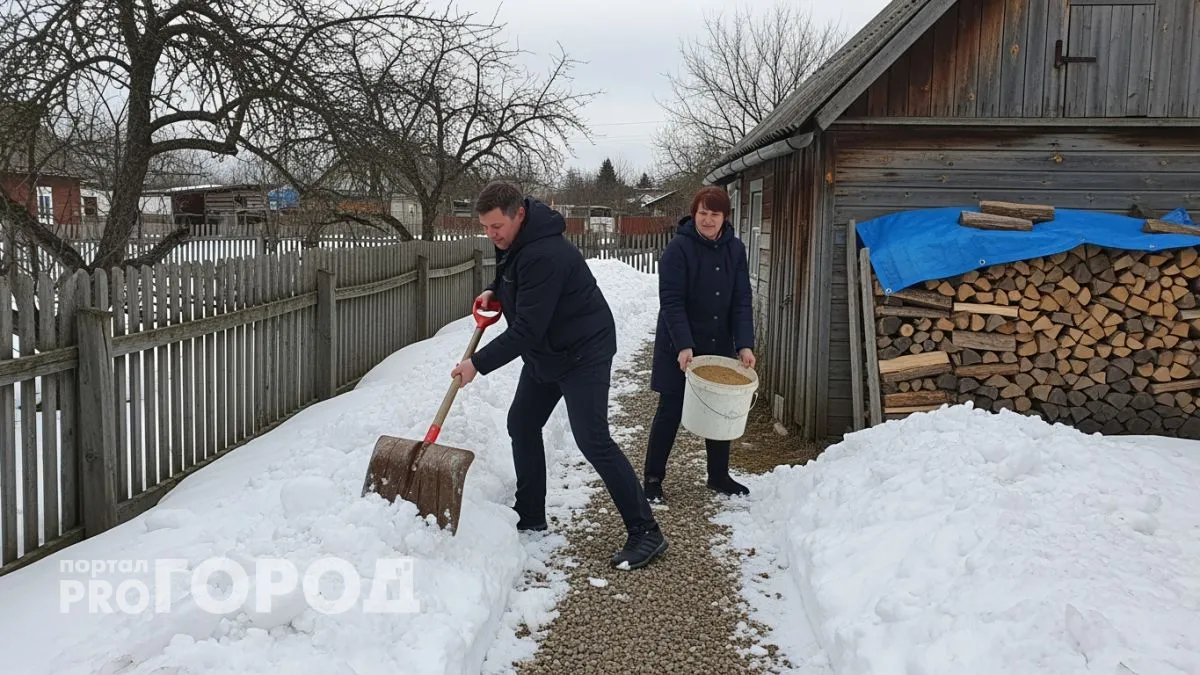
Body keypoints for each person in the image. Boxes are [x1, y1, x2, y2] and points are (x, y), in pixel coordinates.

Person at [451, 180, 668, 571]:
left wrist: (476, 364)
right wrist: (494, 290)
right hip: (548, 351)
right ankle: (530, 513)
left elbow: (527, 330)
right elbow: (512, 274)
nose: (492, 234)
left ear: (519, 214)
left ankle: (646, 531)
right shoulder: (515, 239)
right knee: (522, 422)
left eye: (496, 226)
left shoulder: (546, 253)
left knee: (593, 439)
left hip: (583, 351)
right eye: (485, 227)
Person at [643, 185, 755, 504]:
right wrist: (684, 345)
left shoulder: (735, 250)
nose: (707, 219)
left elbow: (741, 300)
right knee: (670, 409)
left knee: (720, 408)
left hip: (718, 342)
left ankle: (718, 475)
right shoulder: (678, 249)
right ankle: (652, 478)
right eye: (702, 213)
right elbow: (672, 301)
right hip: (679, 344)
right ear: (694, 214)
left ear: (725, 217)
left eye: (714, 214)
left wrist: (744, 344)